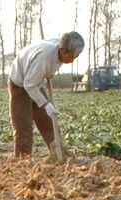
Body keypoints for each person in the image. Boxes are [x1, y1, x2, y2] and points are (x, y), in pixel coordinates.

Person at [9, 31, 83, 159]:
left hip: (35, 81)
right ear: (63, 50)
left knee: (48, 121)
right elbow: (29, 84)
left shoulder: (60, 47)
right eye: (71, 57)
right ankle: (22, 160)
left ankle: (58, 154)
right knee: (24, 126)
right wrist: (45, 104)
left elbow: (36, 80)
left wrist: (49, 74)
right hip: (20, 83)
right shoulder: (44, 58)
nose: (71, 61)